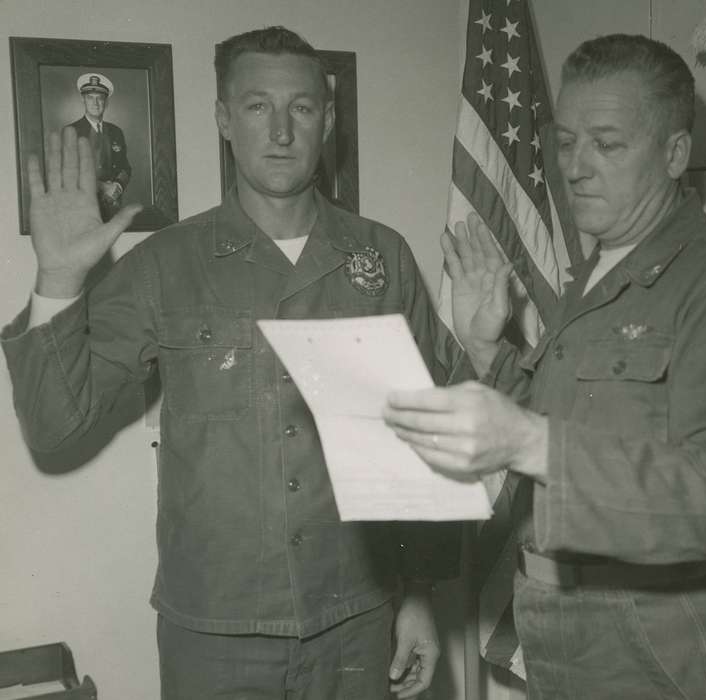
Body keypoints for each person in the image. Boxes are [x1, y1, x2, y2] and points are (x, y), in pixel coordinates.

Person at [3, 26, 461, 700]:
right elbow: (54, 429)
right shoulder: (165, 263)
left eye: (301, 108)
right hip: (216, 632)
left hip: (355, 617)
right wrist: (57, 282)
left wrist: (417, 593)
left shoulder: (380, 256)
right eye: (256, 107)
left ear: (327, 120)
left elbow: (423, 441)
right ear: (223, 118)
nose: (280, 130)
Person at [384, 34, 706, 699]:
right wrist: (486, 350)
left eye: (607, 145)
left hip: (670, 644)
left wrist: (533, 443)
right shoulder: (600, 266)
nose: (576, 168)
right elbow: (575, 418)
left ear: (674, 154)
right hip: (569, 633)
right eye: (564, 143)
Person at [67, 72, 131, 221]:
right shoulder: (71, 131)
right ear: (83, 100)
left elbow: (125, 167)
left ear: (106, 102)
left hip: (113, 207)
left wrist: (118, 186)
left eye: (100, 98)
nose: (95, 103)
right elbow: (69, 174)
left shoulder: (116, 132)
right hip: (82, 209)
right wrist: (103, 187)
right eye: (90, 98)